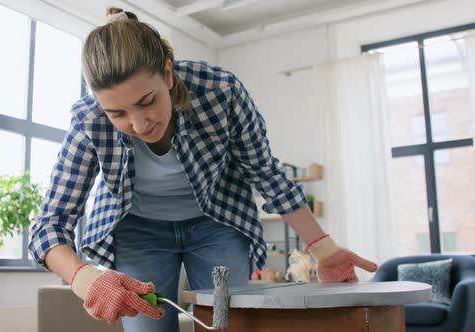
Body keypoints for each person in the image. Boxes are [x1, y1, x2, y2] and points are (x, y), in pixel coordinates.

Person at [29, 7, 378, 332]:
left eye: (146, 101)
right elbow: (49, 225)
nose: (138, 124)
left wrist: (323, 248)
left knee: (227, 324)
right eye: (117, 113)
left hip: (217, 223)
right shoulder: (88, 120)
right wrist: (84, 277)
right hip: (137, 232)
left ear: (167, 73)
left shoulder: (219, 91)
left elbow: (265, 173)